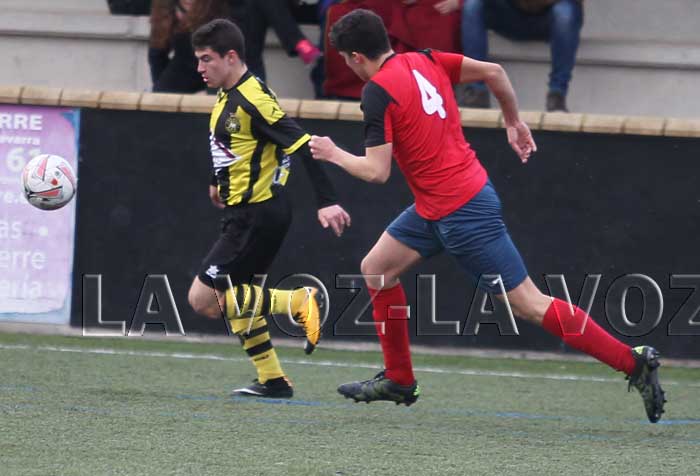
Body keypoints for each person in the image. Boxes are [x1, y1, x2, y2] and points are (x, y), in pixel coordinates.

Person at [309, 9, 666, 423]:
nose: (347, 65)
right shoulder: (425, 59)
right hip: (437, 205)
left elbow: (376, 172)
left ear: (355, 57)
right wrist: (513, 122)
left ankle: (633, 362)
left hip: (462, 211)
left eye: (345, 58)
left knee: (529, 304)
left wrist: (333, 153)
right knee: (376, 269)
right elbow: (495, 72)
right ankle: (399, 380)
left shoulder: (377, 92)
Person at [188, 18, 351, 398]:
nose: (199, 68)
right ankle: (273, 380)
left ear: (231, 57)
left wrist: (327, 200)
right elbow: (235, 143)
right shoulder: (231, 92)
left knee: (205, 300)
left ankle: (298, 300)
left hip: (256, 216)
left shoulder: (253, 100)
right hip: (247, 213)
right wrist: (218, 180)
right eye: (197, 59)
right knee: (240, 299)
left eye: (206, 59)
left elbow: (304, 145)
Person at [458, 0, 584, 112]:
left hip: (550, 17)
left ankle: (557, 94)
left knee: (565, 13)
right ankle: (476, 91)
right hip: (510, 14)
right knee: (473, 4)